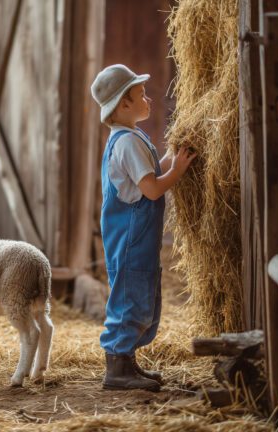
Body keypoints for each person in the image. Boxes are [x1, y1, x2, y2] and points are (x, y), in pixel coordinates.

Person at [90, 64, 197, 391]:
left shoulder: (129, 137)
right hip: (130, 239)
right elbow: (151, 188)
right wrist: (177, 171)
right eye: (141, 95)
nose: (148, 99)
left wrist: (171, 158)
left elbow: (149, 174)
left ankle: (128, 364)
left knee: (140, 296)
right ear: (124, 104)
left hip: (137, 238)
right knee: (129, 298)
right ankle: (117, 370)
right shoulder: (126, 143)